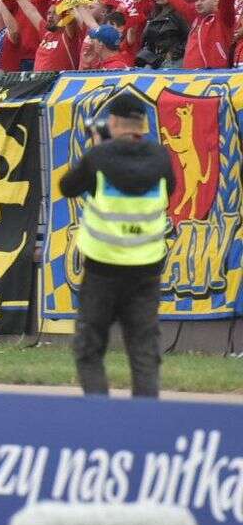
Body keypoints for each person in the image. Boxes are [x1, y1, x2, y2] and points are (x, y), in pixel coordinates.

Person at [58, 93, 175, 398]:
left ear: (111, 122)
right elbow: (170, 189)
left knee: (90, 348)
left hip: (102, 270)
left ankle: (100, 421)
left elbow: (67, 186)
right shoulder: (162, 158)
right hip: (146, 270)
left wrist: (99, 151)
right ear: (143, 125)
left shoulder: (99, 159)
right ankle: (143, 424)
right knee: (144, 351)